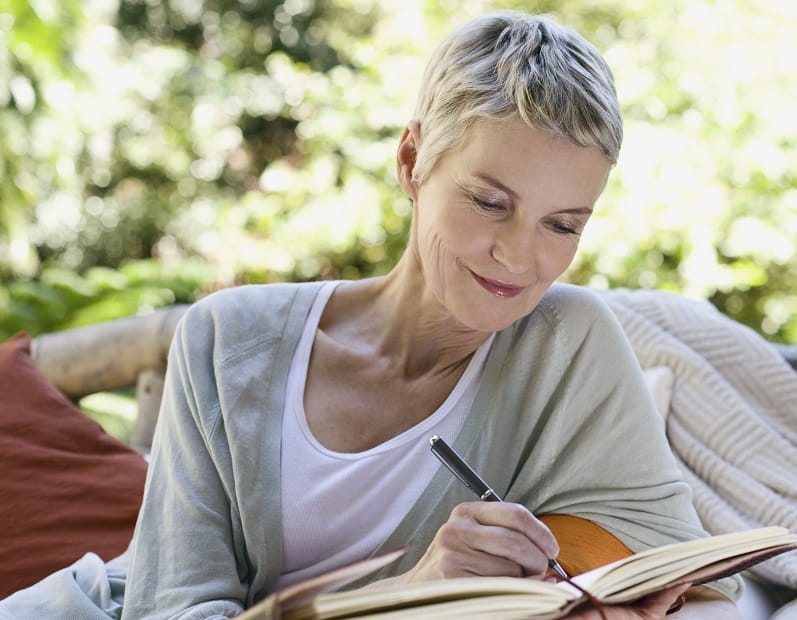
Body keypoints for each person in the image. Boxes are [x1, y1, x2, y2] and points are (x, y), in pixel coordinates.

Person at [0, 10, 740, 620]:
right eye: (489, 203)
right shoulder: (228, 341)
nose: (519, 257)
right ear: (412, 160)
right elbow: (173, 611)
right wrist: (411, 594)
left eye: (563, 225)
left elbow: (695, 577)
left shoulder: (567, 345)